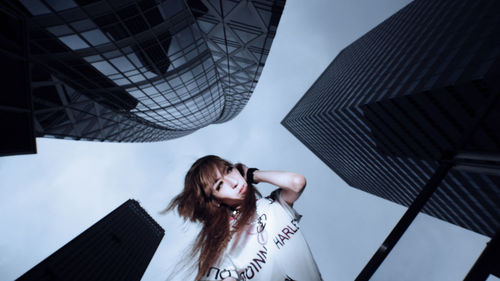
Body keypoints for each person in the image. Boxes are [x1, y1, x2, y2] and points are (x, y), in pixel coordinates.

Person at [166, 155, 322, 281]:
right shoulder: (224, 244)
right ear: (215, 201)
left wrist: (252, 174)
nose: (233, 182)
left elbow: (297, 183)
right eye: (219, 185)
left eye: (228, 170)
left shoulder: (273, 204)